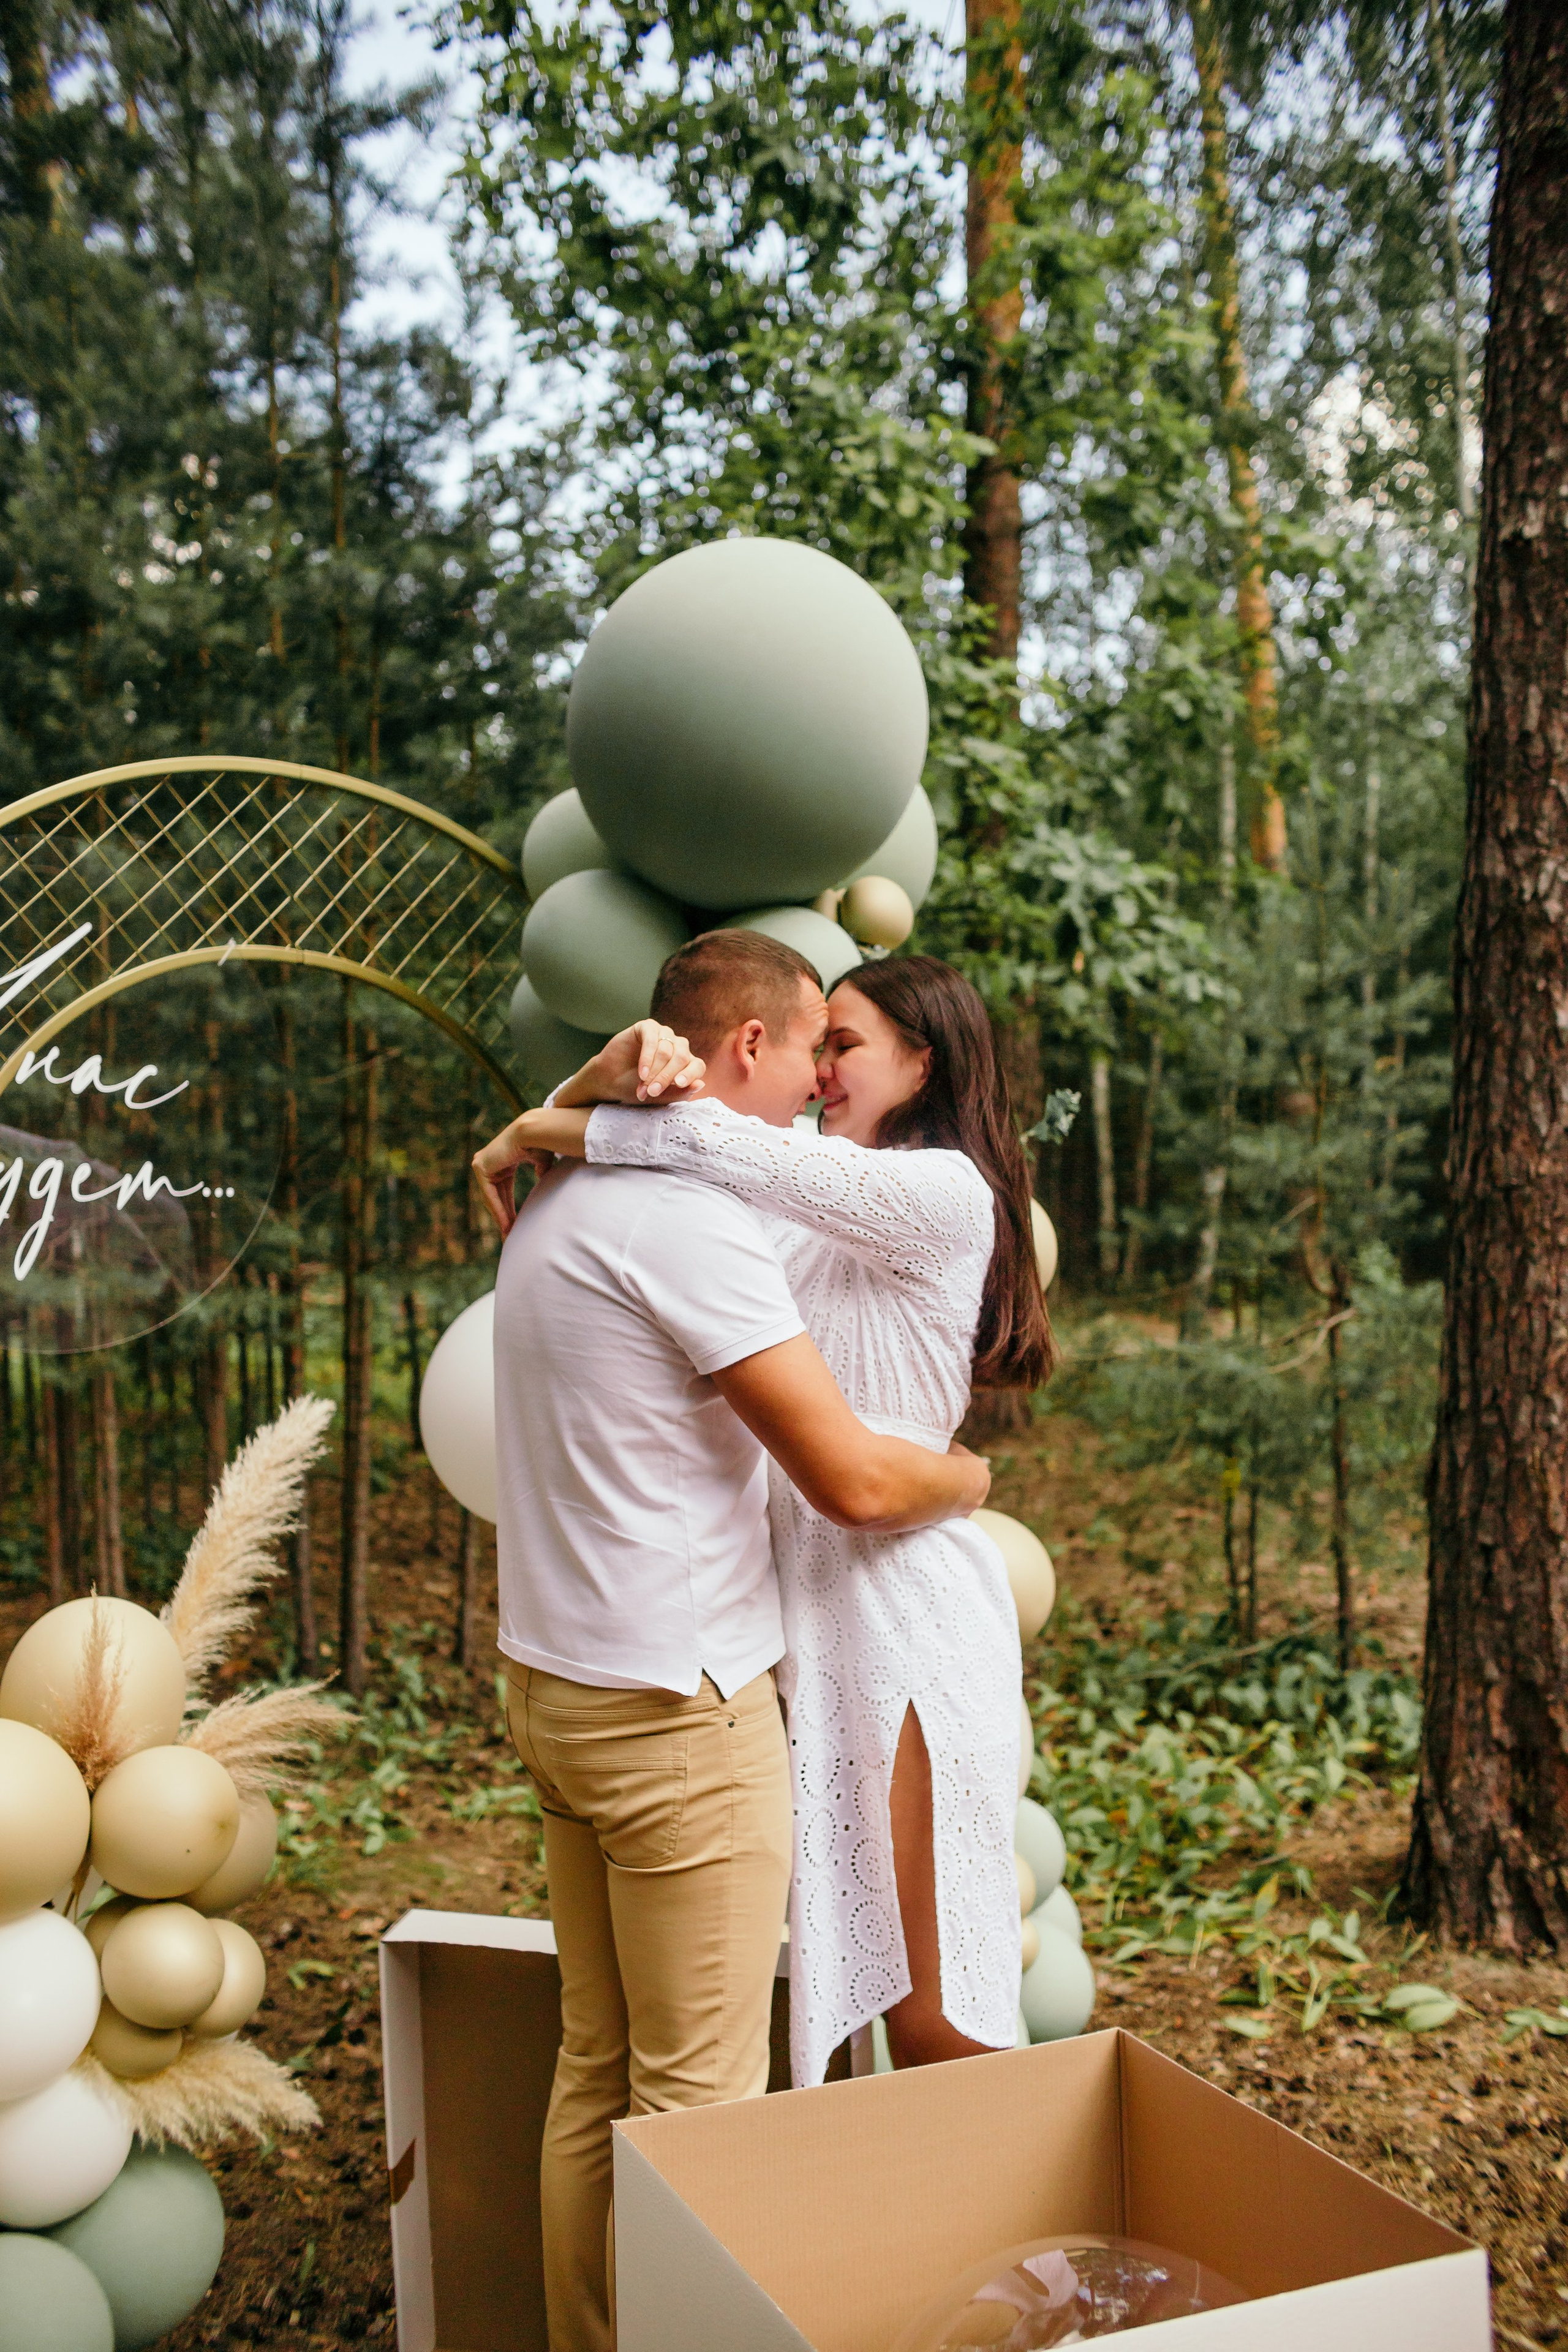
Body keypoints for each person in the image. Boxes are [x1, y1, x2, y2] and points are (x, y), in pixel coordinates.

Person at [472, 930, 991, 2352]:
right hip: (675, 1716)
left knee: (599, 2069)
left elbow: (708, 1158)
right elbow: (857, 1479)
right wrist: (970, 1479)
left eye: (853, 1046)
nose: (821, 1075)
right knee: (697, 2111)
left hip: (563, 1691)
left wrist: (560, 1109)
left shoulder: (565, 1193)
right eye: (810, 1043)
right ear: (747, 1050)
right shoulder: (686, 1214)